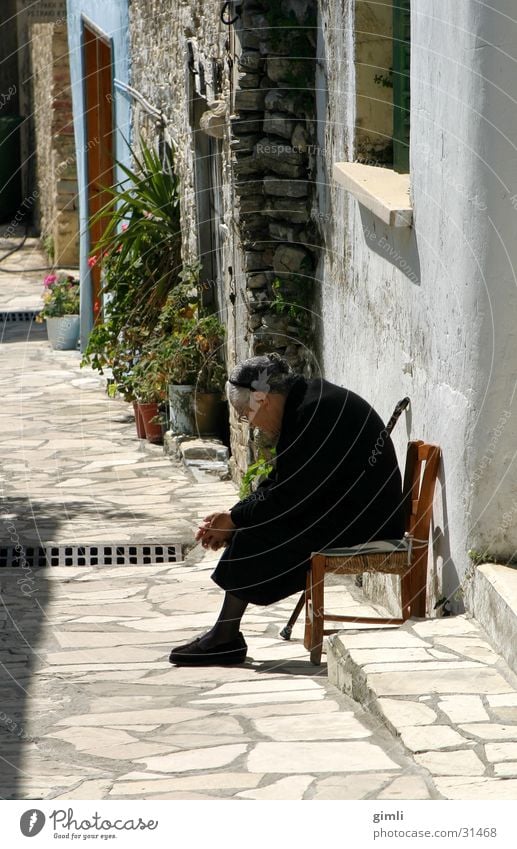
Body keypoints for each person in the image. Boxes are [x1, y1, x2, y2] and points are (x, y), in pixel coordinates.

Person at [169, 353, 404, 666]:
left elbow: (289, 496)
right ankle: (224, 635)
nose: (246, 423)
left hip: (367, 522)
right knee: (254, 526)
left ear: (262, 400)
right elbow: (280, 482)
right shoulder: (304, 406)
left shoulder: (314, 410)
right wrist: (235, 517)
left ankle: (224, 637)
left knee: (260, 533)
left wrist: (236, 520)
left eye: (243, 413)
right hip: (348, 510)